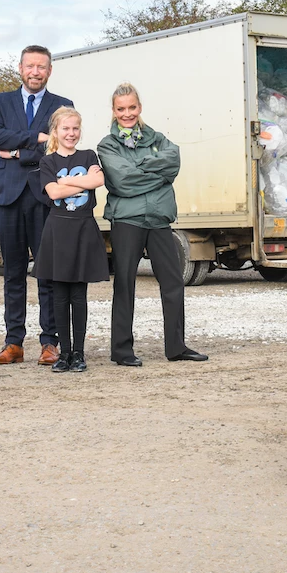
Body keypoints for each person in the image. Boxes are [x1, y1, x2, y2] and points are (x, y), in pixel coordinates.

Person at [97, 83, 207, 367]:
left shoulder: (157, 138)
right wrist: (157, 174)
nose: (127, 113)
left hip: (158, 220)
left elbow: (173, 163)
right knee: (125, 284)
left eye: (132, 107)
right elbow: (122, 181)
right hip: (127, 221)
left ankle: (176, 346)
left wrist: (142, 168)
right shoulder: (107, 145)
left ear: (140, 107)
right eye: (121, 109)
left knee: (173, 282)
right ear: (114, 111)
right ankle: (121, 351)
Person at [0, 46, 70, 366]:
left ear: (50, 71)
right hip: (8, 197)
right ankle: (14, 343)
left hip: (45, 196)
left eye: (42, 67)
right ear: (20, 68)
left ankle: (50, 342)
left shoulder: (63, 106)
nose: (36, 72)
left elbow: (58, 147)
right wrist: (36, 137)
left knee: (47, 272)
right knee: (13, 273)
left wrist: (18, 151)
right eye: (30, 66)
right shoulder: (0, 102)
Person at [36, 107, 109, 373]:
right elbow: (53, 192)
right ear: (55, 131)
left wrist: (68, 180)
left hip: (83, 230)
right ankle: (63, 353)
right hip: (58, 231)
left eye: (75, 128)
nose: (71, 133)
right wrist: (82, 182)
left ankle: (78, 353)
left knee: (79, 295)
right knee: (59, 295)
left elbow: (98, 180)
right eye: (65, 129)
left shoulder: (89, 155)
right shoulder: (48, 162)